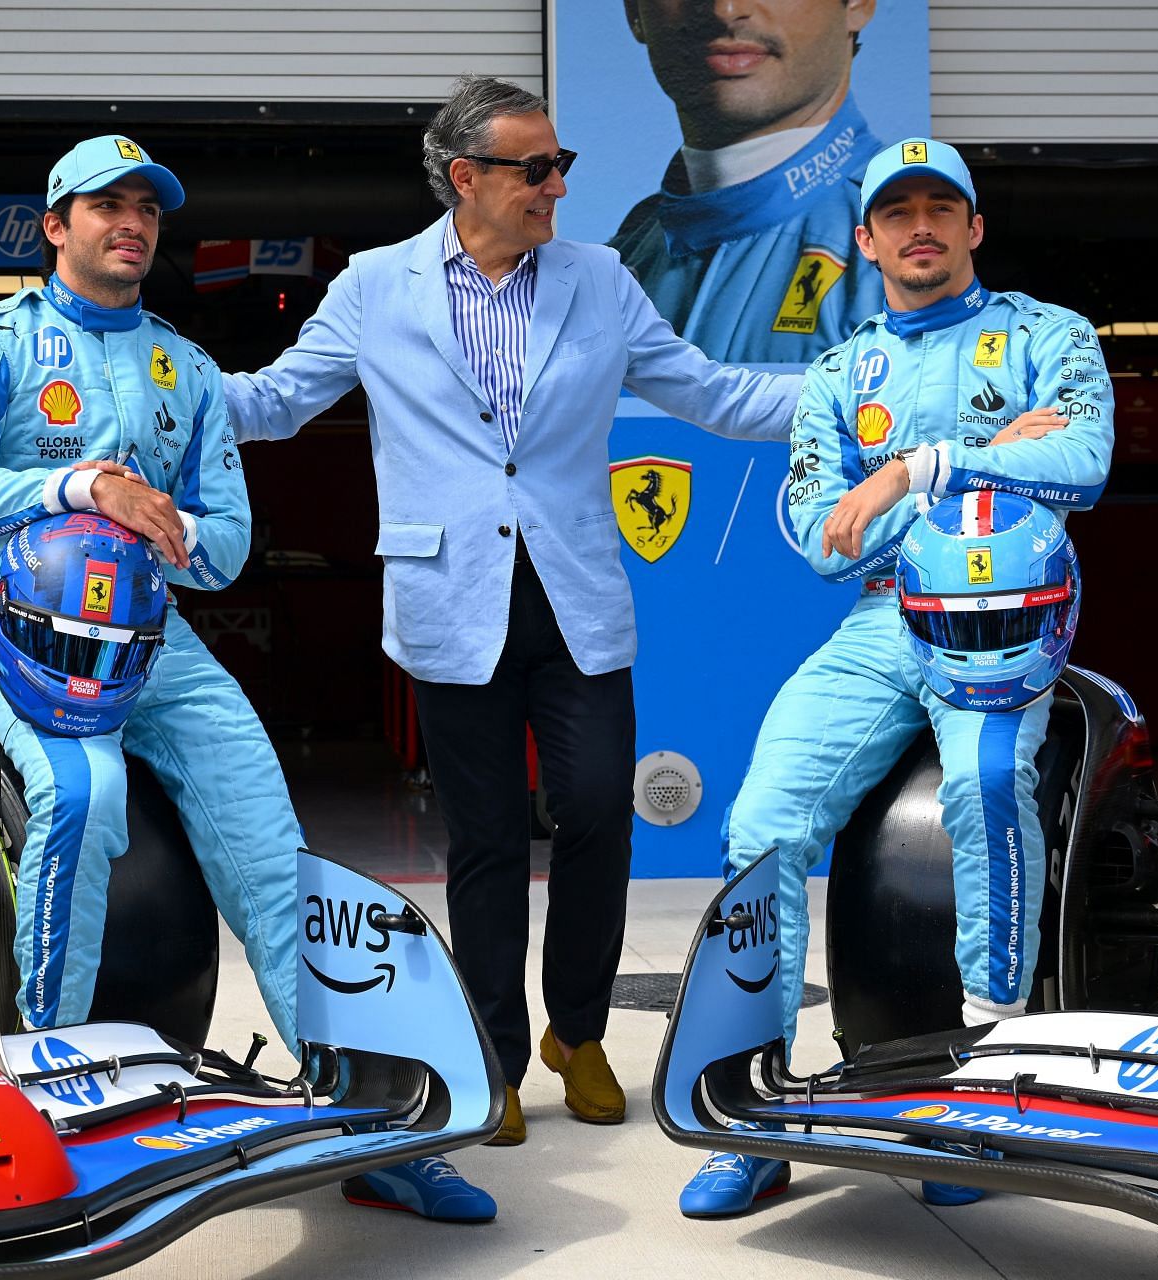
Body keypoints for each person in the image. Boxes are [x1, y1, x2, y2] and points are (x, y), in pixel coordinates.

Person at [222, 75, 801, 1213]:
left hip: (576, 597)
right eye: (535, 169)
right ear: (466, 176)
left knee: (593, 813)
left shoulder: (598, 275)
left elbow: (714, 392)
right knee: (483, 840)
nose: (559, 185)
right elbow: (277, 401)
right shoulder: (375, 285)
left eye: (561, 163)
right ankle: (492, 1053)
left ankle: (576, 1032)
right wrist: (149, 397)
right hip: (452, 602)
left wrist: (858, 390)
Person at [0, 136, 494, 1224]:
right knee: (84, 799)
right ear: (55, 225)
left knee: (270, 837)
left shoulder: (184, 366)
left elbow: (227, 542)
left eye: (146, 209)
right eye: (105, 206)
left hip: (155, 640)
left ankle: (350, 1112)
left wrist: (168, 526)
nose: (131, 223)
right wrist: (82, 484)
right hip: (24, 633)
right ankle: (39, 1094)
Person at [676, 137, 1115, 1217]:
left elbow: (1084, 464)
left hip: (1007, 619)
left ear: (974, 227)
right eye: (898, 212)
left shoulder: (1049, 335)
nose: (921, 226)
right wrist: (989, 455)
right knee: (761, 823)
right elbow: (826, 541)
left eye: (942, 207)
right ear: (866, 240)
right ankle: (755, 1106)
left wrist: (919, 469)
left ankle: (984, 1093)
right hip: (882, 623)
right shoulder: (837, 373)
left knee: (985, 791)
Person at [610, 0, 884, 362]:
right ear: (635, 13)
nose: (725, 9)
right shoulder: (626, 254)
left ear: (857, 5)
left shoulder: (900, 249)